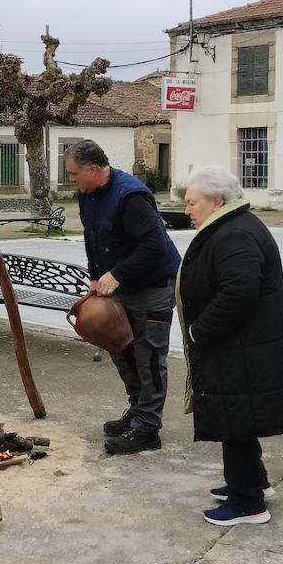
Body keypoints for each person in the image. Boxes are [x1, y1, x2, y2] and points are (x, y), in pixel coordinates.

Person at [178, 165, 283, 525]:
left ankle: (248, 505)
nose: (187, 209)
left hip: (241, 349)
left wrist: (198, 332)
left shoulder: (233, 234)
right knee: (239, 419)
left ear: (216, 200)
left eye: (192, 203)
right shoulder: (232, 226)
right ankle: (254, 482)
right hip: (246, 347)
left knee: (234, 420)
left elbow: (238, 293)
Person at [64, 139, 181, 454]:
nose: (71, 180)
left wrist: (116, 274)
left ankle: (148, 429)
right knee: (120, 346)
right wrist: (94, 275)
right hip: (122, 287)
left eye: (74, 174)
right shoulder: (87, 195)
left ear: (92, 169)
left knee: (149, 356)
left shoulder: (131, 197)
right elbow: (92, 238)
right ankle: (137, 409)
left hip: (154, 285)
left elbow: (154, 245)